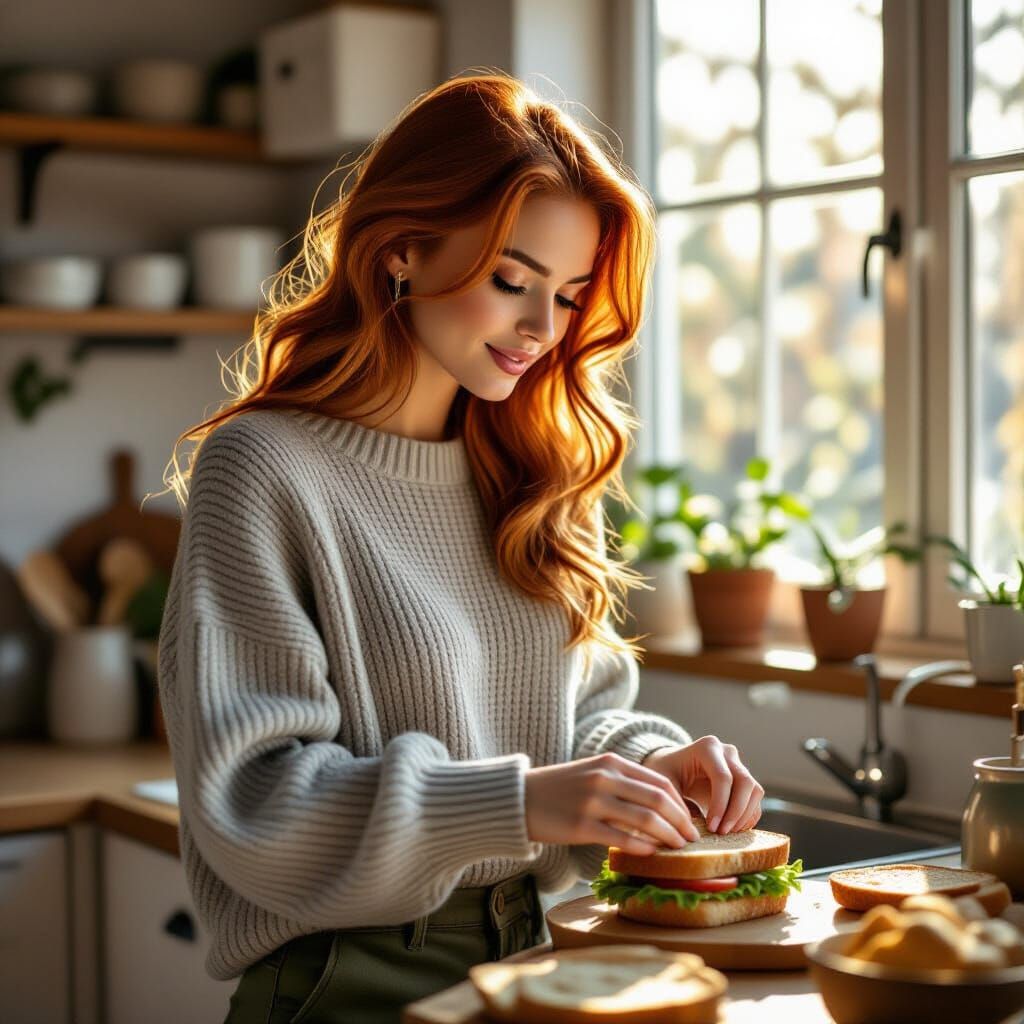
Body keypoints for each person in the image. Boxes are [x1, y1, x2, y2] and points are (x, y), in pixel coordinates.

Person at [154, 71, 765, 1024]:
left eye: (566, 296)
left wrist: (650, 768)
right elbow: (255, 803)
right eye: (511, 281)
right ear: (401, 248)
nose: (541, 330)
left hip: (537, 956)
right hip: (344, 981)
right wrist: (523, 804)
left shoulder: (533, 467)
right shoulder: (265, 468)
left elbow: (579, 719)